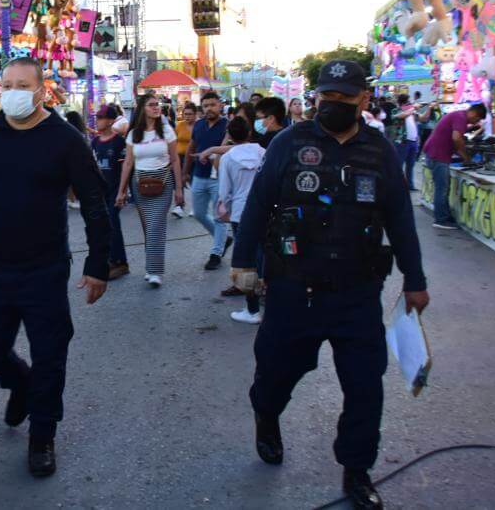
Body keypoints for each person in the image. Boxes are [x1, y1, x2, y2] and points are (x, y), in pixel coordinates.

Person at [231, 60, 429, 509]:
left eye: (342, 98)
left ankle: (356, 471)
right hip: (291, 290)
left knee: (365, 386)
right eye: (326, 97)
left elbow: (400, 219)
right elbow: (259, 205)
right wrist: (243, 263)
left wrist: (415, 280)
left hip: (356, 294)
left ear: (362, 99)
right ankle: (266, 413)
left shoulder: (380, 151)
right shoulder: (288, 143)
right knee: (277, 374)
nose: (332, 105)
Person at [0, 57, 110, 478]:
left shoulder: (65, 139)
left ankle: (42, 435)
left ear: (42, 90)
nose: (14, 92)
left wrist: (99, 264)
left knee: (50, 355)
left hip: (45, 269)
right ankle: (19, 384)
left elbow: (95, 202)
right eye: (7, 84)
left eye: (23, 84)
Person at [116, 94, 185, 287]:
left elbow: (175, 159)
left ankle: (155, 271)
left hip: (163, 182)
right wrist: (121, 191)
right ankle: (151, 266)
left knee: (155, 226)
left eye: (158, 105)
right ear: (142, 109)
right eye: (151, 105)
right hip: (140, 184)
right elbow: (128, 163)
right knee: (149, 228)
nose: (156, 107)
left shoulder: (166, 131)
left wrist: (179, 189)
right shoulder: (133, 134)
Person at [216, 117, 265, 323]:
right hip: (264, 210)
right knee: (264, 257)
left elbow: (224, 191)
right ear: (249, 132)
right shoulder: (264, 153)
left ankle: (252, 310)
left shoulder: (228, 158)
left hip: (239, 213)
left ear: (230, 135)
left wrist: (222, 207)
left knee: (246, 263)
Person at [184, 91, 231, 270]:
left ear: (220, 105)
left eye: (212, 105)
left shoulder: (228, 126)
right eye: (205, 106)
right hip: (199, 175)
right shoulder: (198, 125)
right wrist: (185, 172)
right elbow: (191, 147)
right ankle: (224, 240)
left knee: (220, 216)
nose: (209, 109)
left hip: (219, 177)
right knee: (198, 213)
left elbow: (231, 149)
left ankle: (216, 253)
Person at [422, 103, 488, 230]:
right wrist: (466, 157)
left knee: (443, 188)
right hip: (438, 155)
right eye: (477, 119)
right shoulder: (460, 118)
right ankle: (441, 219)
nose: (476, 122)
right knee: (442, 189)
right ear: (474, 113)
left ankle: (444, 216)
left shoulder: (458, 116)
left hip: (435, 154)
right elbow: (457, 138)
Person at [92, 105, 129, 281]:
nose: (97, 120)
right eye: (97, 116)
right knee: (104, 226)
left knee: (113, 223)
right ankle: (111, 259)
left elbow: (125, 169)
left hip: (115, 191)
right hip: (100, 193)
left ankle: (120, 262)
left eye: (100, 117)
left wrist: (122, 191)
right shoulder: (95, 142)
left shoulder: (119, 142)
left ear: (110, 121)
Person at [172, 103, 197, 218]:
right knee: (179, 181)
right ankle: (179, 206)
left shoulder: (199, 125)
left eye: (190, 114)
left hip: (194, 157)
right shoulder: (179, 125)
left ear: (195, 114)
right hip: (180, 157)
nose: (187, 117)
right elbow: (174, 141)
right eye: (185, 114)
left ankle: (195, 207)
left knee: (194, 183)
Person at [393, 93, 420, 191]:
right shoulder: (396, 110)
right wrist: (413, 108)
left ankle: (410, 185)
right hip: (402, 141)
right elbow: (400, 116)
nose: (410, 103)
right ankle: (397, 184)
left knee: (411, 165)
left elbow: (423, 118)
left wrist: (429, 108)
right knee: (399, 164)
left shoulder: (412, 112)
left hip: (413, 140)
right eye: (408, 102)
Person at [64, 111, 88, 210]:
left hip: (70, 159)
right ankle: (72, 200)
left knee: (69, 181)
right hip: (78, 159)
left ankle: (71, 200)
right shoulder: (81, 132)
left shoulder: (70, 132)